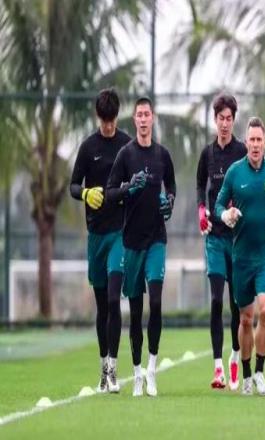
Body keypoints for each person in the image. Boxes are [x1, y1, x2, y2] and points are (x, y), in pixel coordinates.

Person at [107, 96, 176, 397]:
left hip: (156, 239)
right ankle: (136, 373)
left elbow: (171, 186)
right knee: (135, 312)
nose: (144, 119)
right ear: (134, 119)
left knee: (156, 303)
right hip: (131, 243)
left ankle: (151, 369)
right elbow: (110, 193)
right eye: (139, 115)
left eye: (148, 114)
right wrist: (128, 188)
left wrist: (169, 202)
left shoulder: (162, 155)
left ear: (153, 118)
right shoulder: (125, 155)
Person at [215, 117, 265, 396]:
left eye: (260, 140)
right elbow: (219, 203)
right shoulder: (234, 173)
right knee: (246, 319)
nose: (255, 145)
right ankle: (245, 375)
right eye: (252, 140)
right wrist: (226, 214)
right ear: (246, 143)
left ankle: (259, 371)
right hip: (241, 257)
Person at [70, 88, 131, 393]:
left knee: (113, 299)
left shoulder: (126, 145)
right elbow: (72, 185)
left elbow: (136, 181)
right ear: (98, 117)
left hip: (120, 233)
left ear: (117, 117)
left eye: (112, 120)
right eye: (104, 120)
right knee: (102, 307)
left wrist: (128, 192)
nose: (108, 126)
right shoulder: (87, 147)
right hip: (95, 235)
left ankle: (114, 370)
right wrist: (85, 193)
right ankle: (103, 367)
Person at [196, 94, 246, 390]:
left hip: (237, 239)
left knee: (236, 303)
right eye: (220, 119)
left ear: (233, 120)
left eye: (229, 119)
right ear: (214, 120)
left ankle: (235, 356)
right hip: (215, 238)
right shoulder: (207, 154)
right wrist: (201, 209)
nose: (225, 124)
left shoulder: (242, 151)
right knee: (216, 301)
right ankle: (217, 368)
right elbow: (200, 185)